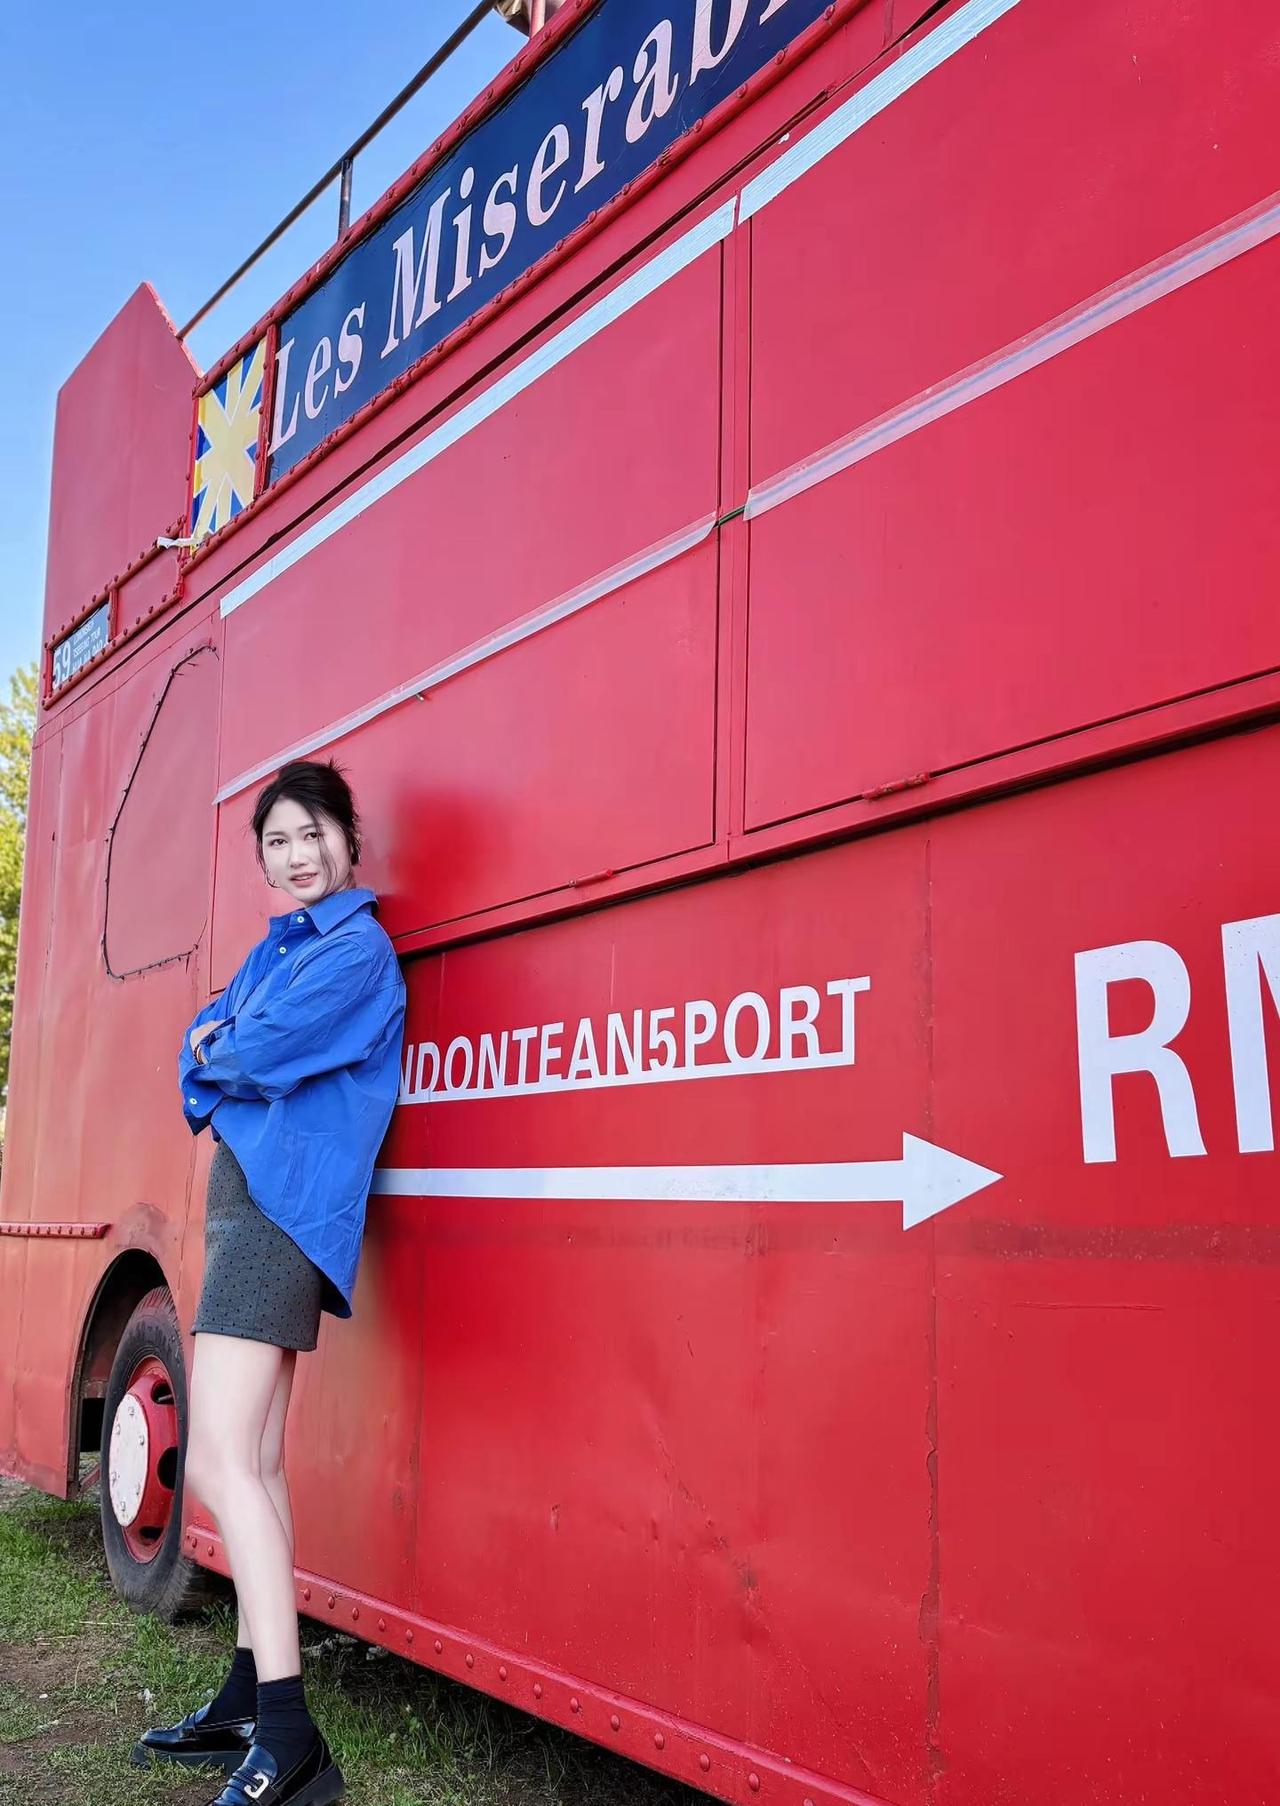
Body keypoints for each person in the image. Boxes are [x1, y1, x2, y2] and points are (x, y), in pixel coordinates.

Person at [131, 757, 407, 1806]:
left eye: (311, 833)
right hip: (250, 1209)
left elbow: (253, 1049)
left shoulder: (355, 952)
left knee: (212, 1460)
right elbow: (202, 1045)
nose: (297, 856)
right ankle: (250, 1698)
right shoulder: (275, 949)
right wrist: (220, 1046)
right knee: (256, 1460)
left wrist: (223, 1047)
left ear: (348, 838)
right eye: (276, 842)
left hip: (279, 1218)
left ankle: (290, 1737)